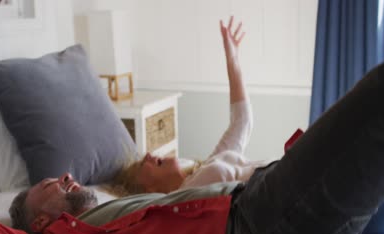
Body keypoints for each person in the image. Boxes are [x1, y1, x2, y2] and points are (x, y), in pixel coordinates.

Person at [0, 16, 384, 234]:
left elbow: (240, 125)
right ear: (38, 225)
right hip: (252, 229)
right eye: (51, 185)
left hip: (263, 218)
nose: (68, 176)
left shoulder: (111, 214)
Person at [113, 17, 272, 195]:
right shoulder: (187, 196)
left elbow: (242, 122)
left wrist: (232, 58)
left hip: (278, 174)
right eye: (143, 164)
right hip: (277, 189)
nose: (149, 155)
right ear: (147, 189)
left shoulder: (202, 170)